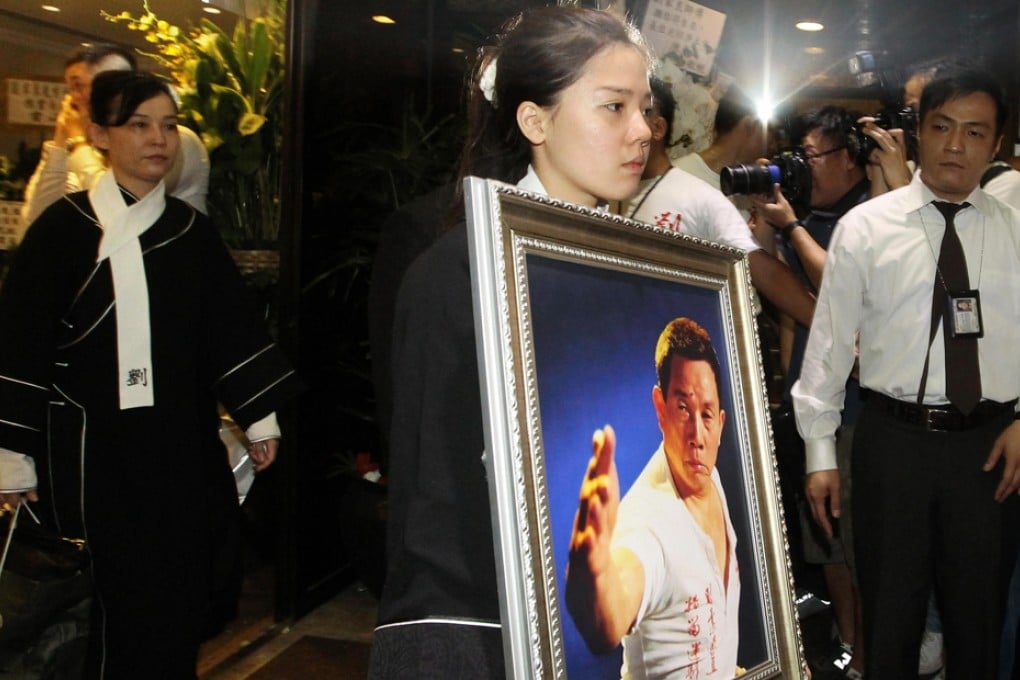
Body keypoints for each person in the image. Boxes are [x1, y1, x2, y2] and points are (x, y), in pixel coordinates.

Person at [367, 7, 653, 678]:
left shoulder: (643, 269)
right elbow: (434, 499)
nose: (641, 130)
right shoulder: (458, 270)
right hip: (488, 629)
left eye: (646, 107)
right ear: (535, 121)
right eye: (614, 107)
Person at [0, 70, 300, 678]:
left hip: (175, 455)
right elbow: (18, 346)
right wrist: (12, 454)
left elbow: (230, 334)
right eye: (138, 125)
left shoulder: (192, 234)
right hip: (82, 457)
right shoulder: (61, 231)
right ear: (101, 134)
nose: (157, 139)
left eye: (168, 125)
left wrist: (259, 417)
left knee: (171, 601)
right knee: (84, 612)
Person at [792, 66, 1020, 679]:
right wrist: (820, 452)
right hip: (892, 445)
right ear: (918, 133)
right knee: (890, 623)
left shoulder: (1016, 232)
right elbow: (831, 344)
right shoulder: (866, 228)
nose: (955, 145)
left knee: (979, 624)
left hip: (989, 450)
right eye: (942, 127)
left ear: (995, 146)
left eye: (975, 133)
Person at [752, 105, 871, 679]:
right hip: (812, 407)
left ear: (849, 157)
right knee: (828, 547)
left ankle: (874, 655)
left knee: (860, 545)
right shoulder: (807, 218)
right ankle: (849, 649)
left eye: (813, 155)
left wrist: (793, 229)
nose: (801, 168)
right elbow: (792, 312)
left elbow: (847, 291)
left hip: (857, 411)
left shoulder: (871, 214)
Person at [565, 317, 739, 679]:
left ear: (721, 423)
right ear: (660, 408)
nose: (696, 434)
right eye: (682, 408)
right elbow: (610, 619)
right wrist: (593, 574)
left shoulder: (710, 476)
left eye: (706, 415)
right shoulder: (648, 520)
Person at [628, 76, 816, 328]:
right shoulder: (611, 191)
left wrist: (835, 333)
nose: (772, 144)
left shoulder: (699, 192)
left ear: (658, 127)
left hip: (722, 332)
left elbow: (766, 271)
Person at [20, 44, 209, 230]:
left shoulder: (174, 141)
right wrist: (61, 143)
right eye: (71, 88)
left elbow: (121, 201)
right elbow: (37, 219)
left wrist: (78, 146)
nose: (74, 98)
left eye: (79, 86)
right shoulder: (79, 145)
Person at [674, 84, 763, 222]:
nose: (771, 144)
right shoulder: (683, 177)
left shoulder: (743, 193)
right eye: (768, 132)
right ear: (750, 125)